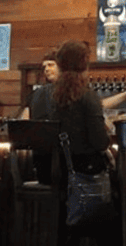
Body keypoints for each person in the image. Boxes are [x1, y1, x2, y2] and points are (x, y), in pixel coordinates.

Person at [32, 40, 111, 183]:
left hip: (46, 173)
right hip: (81, 174)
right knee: (114, 174)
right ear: (84, 66)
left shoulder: (38, 94)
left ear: (59, 65)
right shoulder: (87, 95)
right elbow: (100, 142)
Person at [22, 51, 60, 120]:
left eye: (50, 65)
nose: (46, 69)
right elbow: (26, 117)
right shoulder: (38, 92)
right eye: (45, 67)